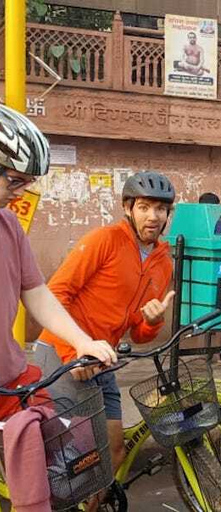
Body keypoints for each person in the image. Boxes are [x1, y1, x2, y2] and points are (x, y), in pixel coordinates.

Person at [33, 171, 176, 476]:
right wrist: (73, 353)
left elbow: (139, 334)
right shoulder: (104, 240)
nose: (153, 216)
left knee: (113, 450)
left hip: (103, 360)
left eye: (160, 209)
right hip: (62, 353)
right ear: (128, 208)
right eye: (144, 207)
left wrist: (153, 320)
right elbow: (56, 294)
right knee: (79, 457)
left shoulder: (163, 263)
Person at [0, 105, 116, 421]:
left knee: (54, 452)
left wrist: (82, 341)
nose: (20, 192)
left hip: (9, 381)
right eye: (14, 181)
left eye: (27, 182)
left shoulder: (9, 226)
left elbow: (36, 292)